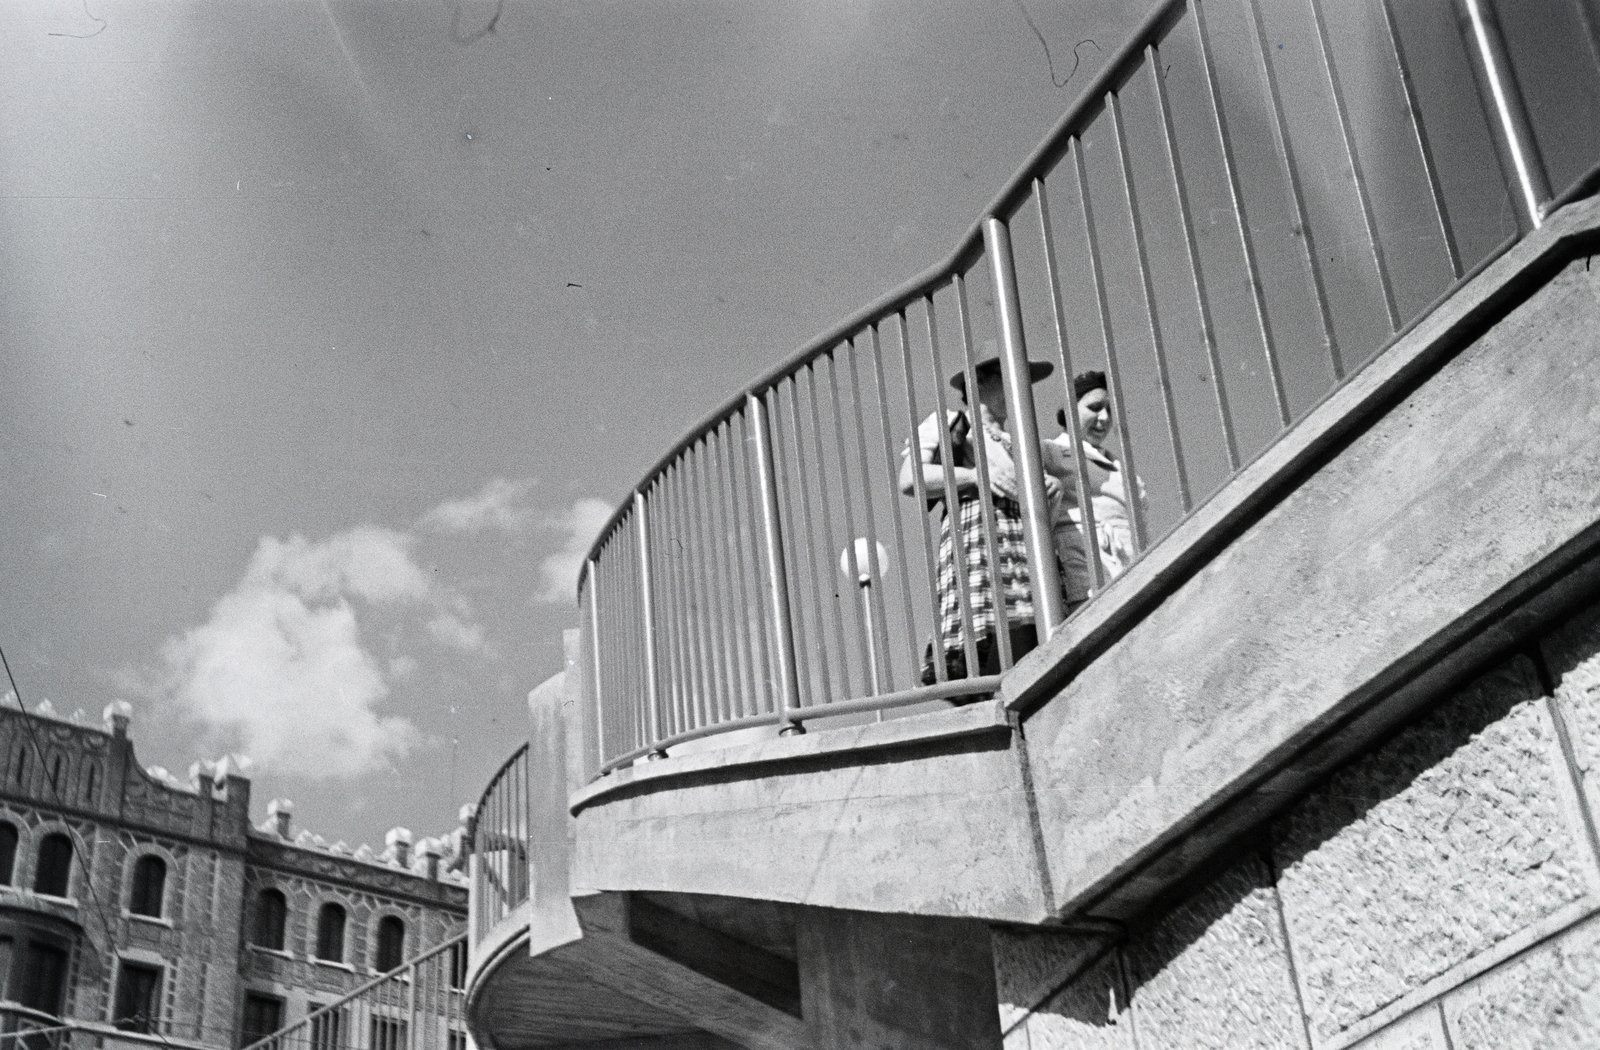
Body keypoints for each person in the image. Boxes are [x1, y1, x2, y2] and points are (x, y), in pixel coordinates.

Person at [899, 353, 1079, 683]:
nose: (1019, 386)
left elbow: (1045, 518)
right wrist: (975, 476)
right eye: (1009, 375)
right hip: (980, 546)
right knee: (984, 644)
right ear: (979, 381)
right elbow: (911, 479)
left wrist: (1048, 494)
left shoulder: (1024, 443)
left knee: (1032, 643)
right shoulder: (952, 423)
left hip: (1025, 555)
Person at [1051, 370, 1137, 582]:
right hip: (1086, 570)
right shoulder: (1049, 451)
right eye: (1094, 408)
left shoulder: (1120, 467)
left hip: (1132, 567)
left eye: (1109, 410)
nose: (1105, 418)